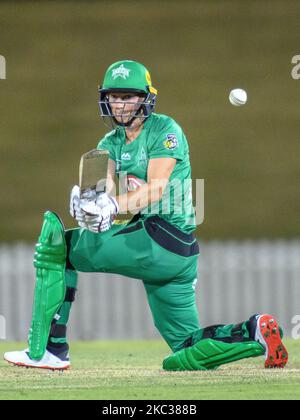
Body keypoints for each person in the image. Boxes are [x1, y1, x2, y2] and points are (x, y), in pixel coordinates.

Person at [4, 60, 288, 371]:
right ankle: (255, 332)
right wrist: (90, 209)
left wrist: (111, 207)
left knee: (59, 249)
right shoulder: (108, 144)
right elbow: (105, 192)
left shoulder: (166, 130)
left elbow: (156, 189)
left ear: (146, 98)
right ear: (105, 99)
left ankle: (49, 349)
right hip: (171, 256)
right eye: (114, 97)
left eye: (128, 97)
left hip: (163, 237)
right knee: (184, 352)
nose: (120, 104)